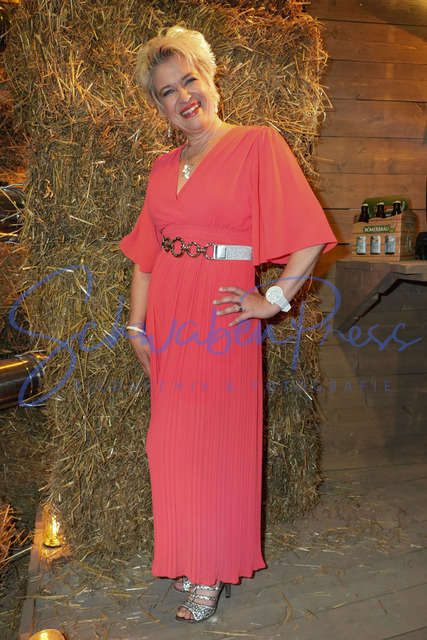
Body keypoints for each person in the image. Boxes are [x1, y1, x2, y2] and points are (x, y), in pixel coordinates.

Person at [120, 25, 337, 624]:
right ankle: (192, 553)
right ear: (158, 105)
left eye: (189, 80)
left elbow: (310, 236)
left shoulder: (256, 144)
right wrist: (135, 327)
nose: (183, 96)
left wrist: (272, 299)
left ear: (211, 80)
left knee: (215, 446)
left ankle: (209, 570)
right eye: (167, 91)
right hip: (169, 316)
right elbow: (145, 256)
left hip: (222, 314)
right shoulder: (162, 168)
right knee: (168, 446)